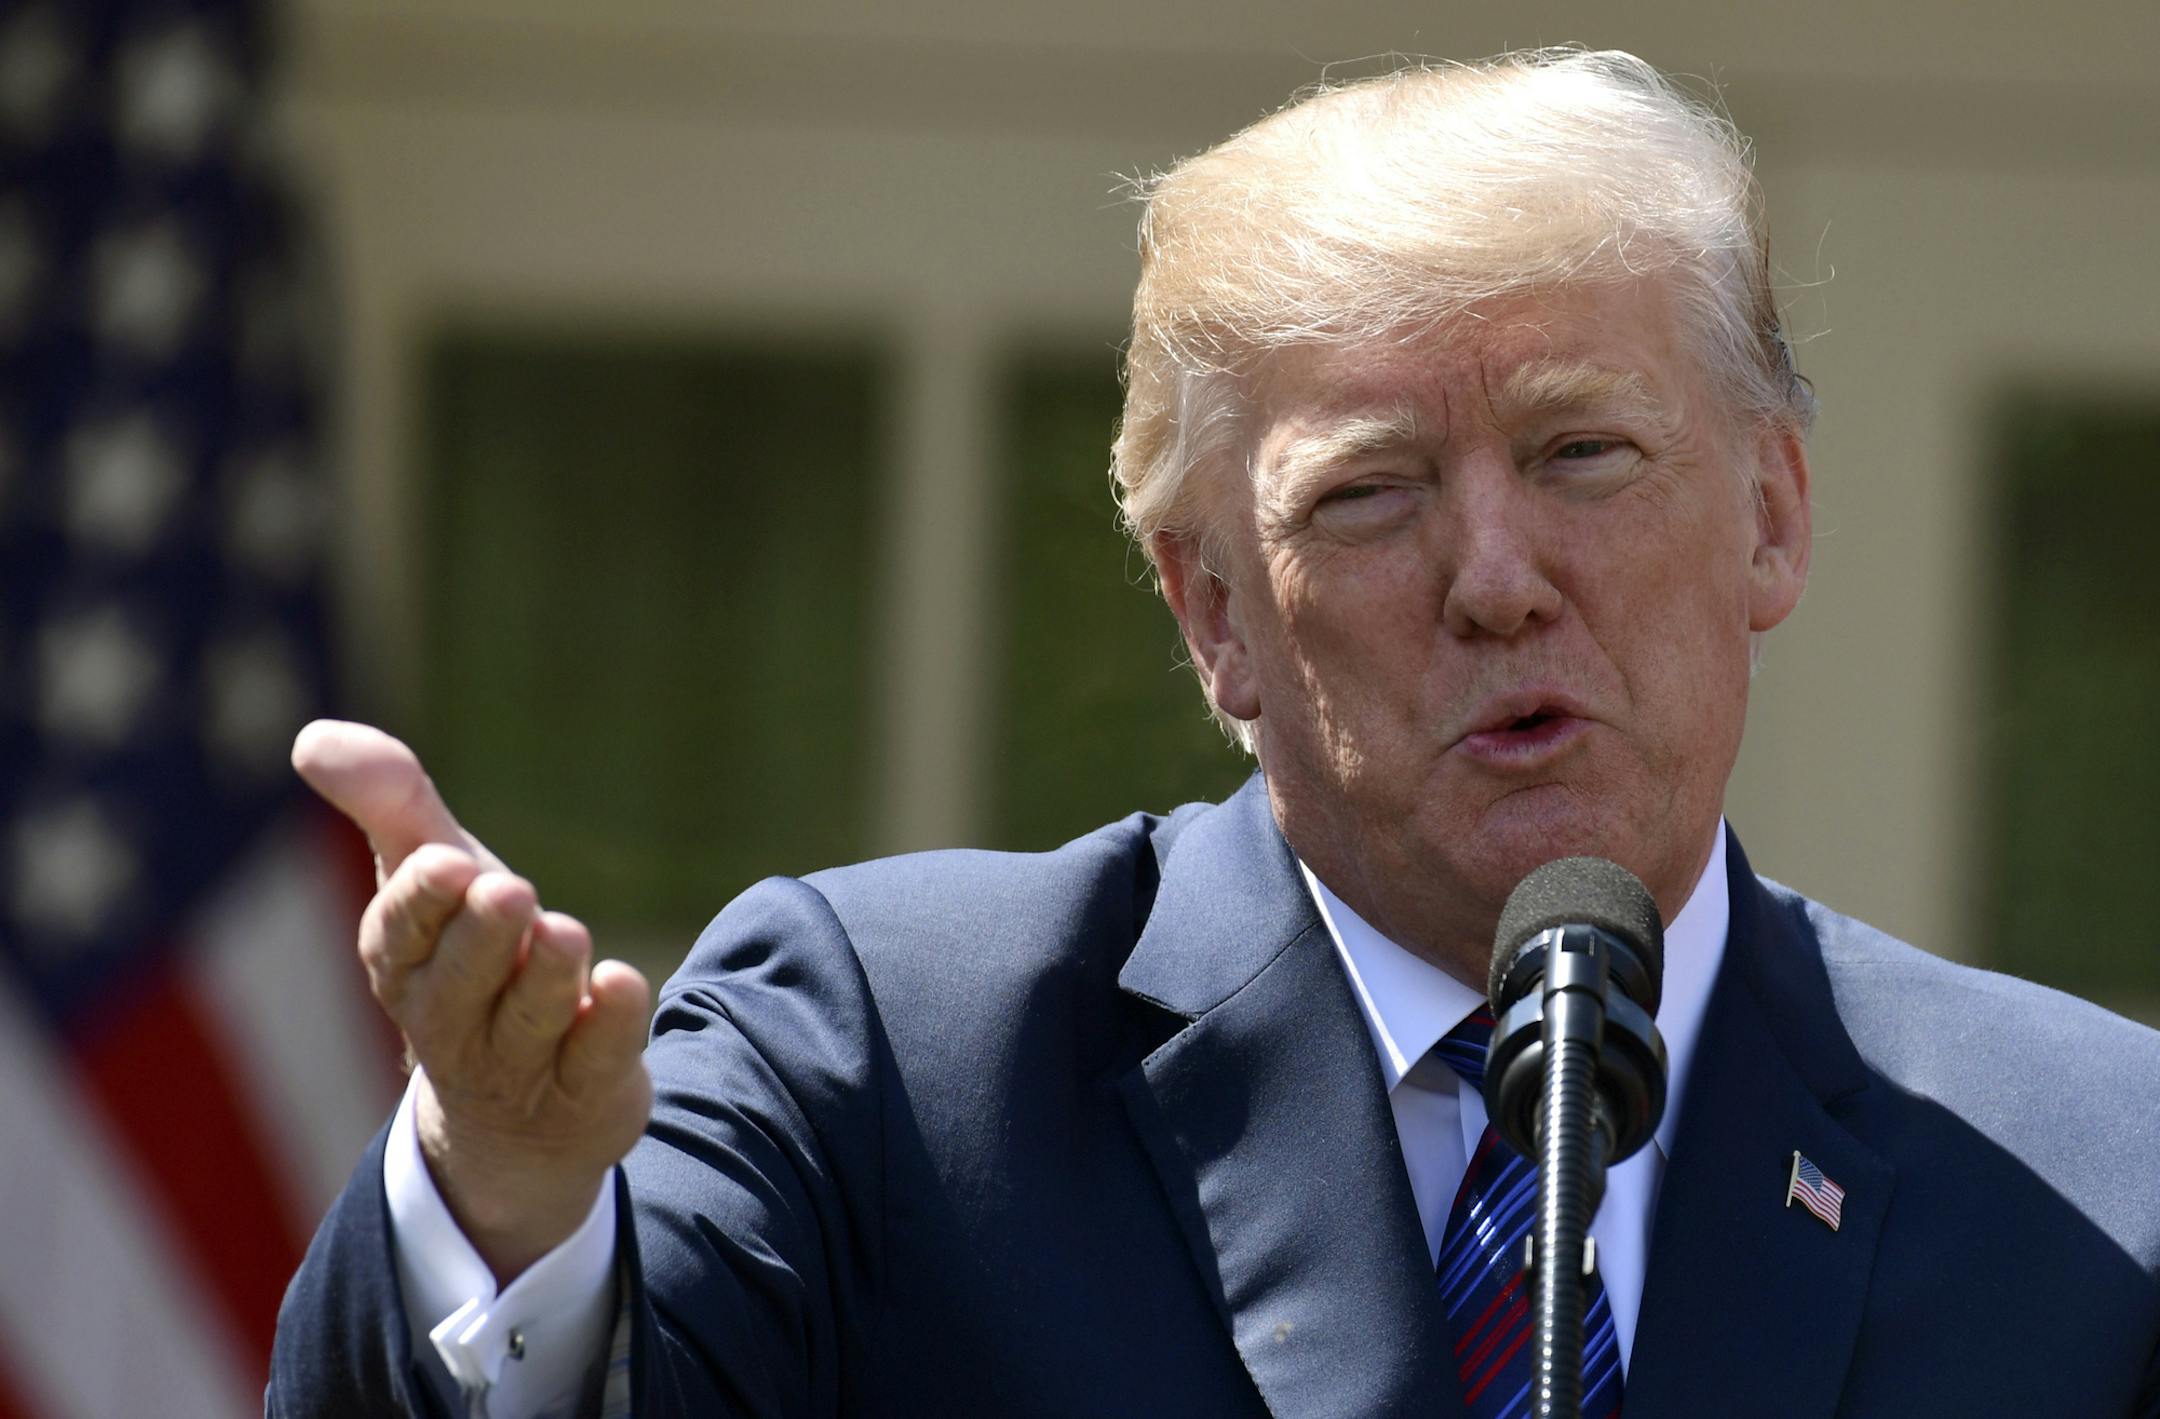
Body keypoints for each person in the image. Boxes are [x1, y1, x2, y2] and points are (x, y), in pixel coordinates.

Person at [269, 49, 2160, 1418]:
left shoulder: (2104, 1177)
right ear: (1215, 618)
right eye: (1371, 495)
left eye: (1584, 452)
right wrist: (507, 1204)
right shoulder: (889, 1066)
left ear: (1772, 514)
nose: (1498, 580)